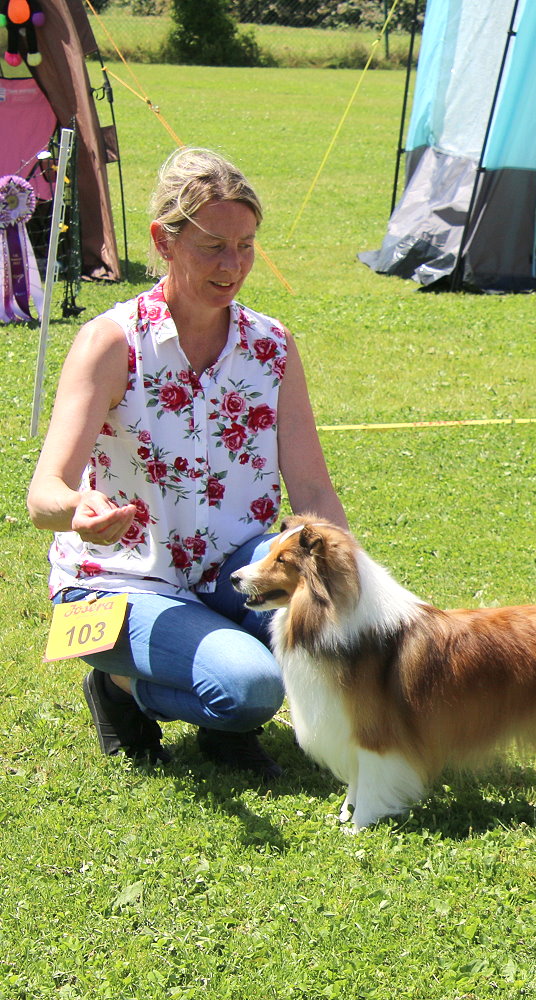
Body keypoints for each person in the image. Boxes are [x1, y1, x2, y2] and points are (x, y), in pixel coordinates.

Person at [27, 147, 347, 777]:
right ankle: (122, 690)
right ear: (162, 242)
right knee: (252, 685)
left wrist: (352, 588)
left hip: (233, 568)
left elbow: (312, 486)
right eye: (212, 247)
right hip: (115, 583)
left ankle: (215, 695)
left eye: (247, 245)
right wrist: (77, 508)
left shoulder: (272, 346)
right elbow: (44, 494)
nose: (233, 267)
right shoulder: (111, 342)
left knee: (335, 649)